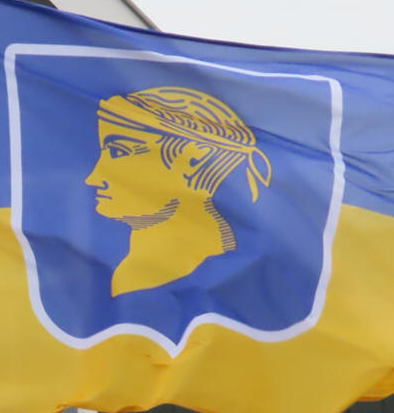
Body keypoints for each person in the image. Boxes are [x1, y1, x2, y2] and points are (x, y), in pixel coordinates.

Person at [85, 86, 271, 296]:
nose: (94, 178)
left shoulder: (186, 276)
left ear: (194, 160)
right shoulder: (133, 272)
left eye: (119, 151)